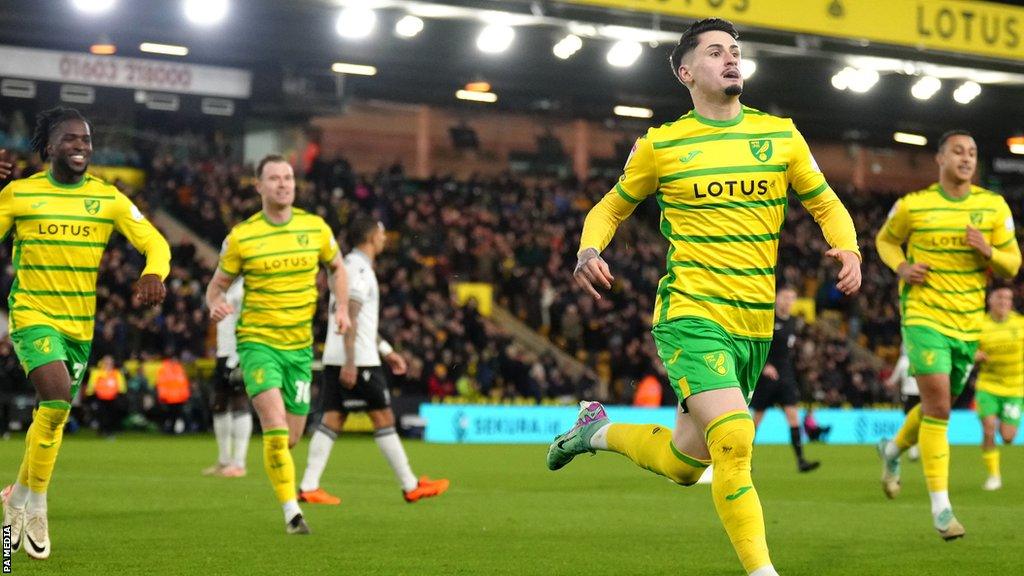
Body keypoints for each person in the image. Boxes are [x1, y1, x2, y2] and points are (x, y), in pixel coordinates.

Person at [546, 19, 861, 576]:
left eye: (735, 51)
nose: (731, 59)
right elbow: (610, 207)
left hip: (755, 324)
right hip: (692, 314)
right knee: (737, 437)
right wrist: (588, 249)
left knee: (684, 465)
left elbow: (827, 204)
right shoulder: (663, 144)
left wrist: (850, 249)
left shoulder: (782, 136)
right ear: (686, 72)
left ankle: (593, 431)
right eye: (716, 52)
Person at [0, 107, 170, 559]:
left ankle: (16, 497)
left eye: (87, 140)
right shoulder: (19, 194)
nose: (81, 146)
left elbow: (155, 241)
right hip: (33, 313)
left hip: (80, 324)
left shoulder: (108, 198)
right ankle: (37, 504)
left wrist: (154, 272)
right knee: (54, 398)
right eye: (71, 139)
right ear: (50, 147)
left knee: (51, 416)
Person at [875, 130, 1020, 540]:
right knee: (938, 409)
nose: (967, 157)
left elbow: (1013, 264)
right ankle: (942, 509)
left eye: (973, 152)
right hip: (923, 316)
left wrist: (989, 251)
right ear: (939, 158)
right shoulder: (914, 206)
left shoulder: (992, 207)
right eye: (958, 150)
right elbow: (885, 241)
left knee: (937, 406)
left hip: (968, 324)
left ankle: (891, 450)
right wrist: (902, 268)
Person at [206, 154, 350, 535]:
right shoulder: (242, 236)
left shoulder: (315, 228)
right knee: (273, 425)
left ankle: (279, 478)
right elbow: (216, 284)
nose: (283, 184)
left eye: (288, 178)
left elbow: (337, 267)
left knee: (292, 436)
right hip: (257, 344)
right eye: (274, 178)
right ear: (259, 186)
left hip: (299, 349)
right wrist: (214, 304)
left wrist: (343, 308)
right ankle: (292, 513)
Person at [299, 217, 449, 505]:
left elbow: (360, 320)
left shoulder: (349, 267)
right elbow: (352, 317)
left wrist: (386, 350)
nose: (384, 238)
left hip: (341, 354)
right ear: (369, 236)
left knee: (333, 417)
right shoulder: (359, 270)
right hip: (356, 358)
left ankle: (308, 486)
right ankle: (410, 484)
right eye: (381, 233)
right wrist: (352, 362)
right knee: (383, 417)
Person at [750, 286, 819, 472]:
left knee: (793, 416)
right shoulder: (767, 319)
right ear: (777, 299)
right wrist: (764, 366)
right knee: (756, 419)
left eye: (792, 298)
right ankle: (744, 461)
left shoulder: (793, 322)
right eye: (785, 297)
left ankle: (801, 461)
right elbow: (755, 345)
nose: (788, 302)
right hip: (766, 378)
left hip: (785, 375)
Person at [972, 285, 1024, 491]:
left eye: (1008, 298)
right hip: (988, 386)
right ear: (990, 300)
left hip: (1014, 388)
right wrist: (975, 355)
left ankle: (1005, 417)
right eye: (1000, 297)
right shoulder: (979, 325)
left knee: (1009, 437)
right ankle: (994, 475)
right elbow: (967, 350)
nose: (1004, 302)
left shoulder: (1020, 324)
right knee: (988, 429)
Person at [202, 278, 251, 478]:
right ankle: (224, 460)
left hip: (239, 352)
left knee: (240, 401)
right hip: (223, 352)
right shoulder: (226, 286)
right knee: (219, 403)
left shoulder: (246, 286)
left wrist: (242, 354)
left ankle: (239, 463)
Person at [884, 345, 920, 460]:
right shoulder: (919, 357)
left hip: (909, 394)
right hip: (922, 393)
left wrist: (889, 382)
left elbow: (895, 378)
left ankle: (912, 449)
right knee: (921, 421)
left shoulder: (903, 361)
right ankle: (918, 448)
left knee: (910, 421)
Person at [84, 355, 127, 437]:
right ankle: (102, 431)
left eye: (110, 362)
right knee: (101, 415)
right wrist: (90, 395)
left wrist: (121, 395)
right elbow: (91, 384)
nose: (108, 364)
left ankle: (110, 431)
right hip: (99, 398)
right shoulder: (97, 372)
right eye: (106, 362)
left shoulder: (116, 373)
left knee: (112, 415)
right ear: (102, 363)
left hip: (113, 398)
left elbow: (122, 385)